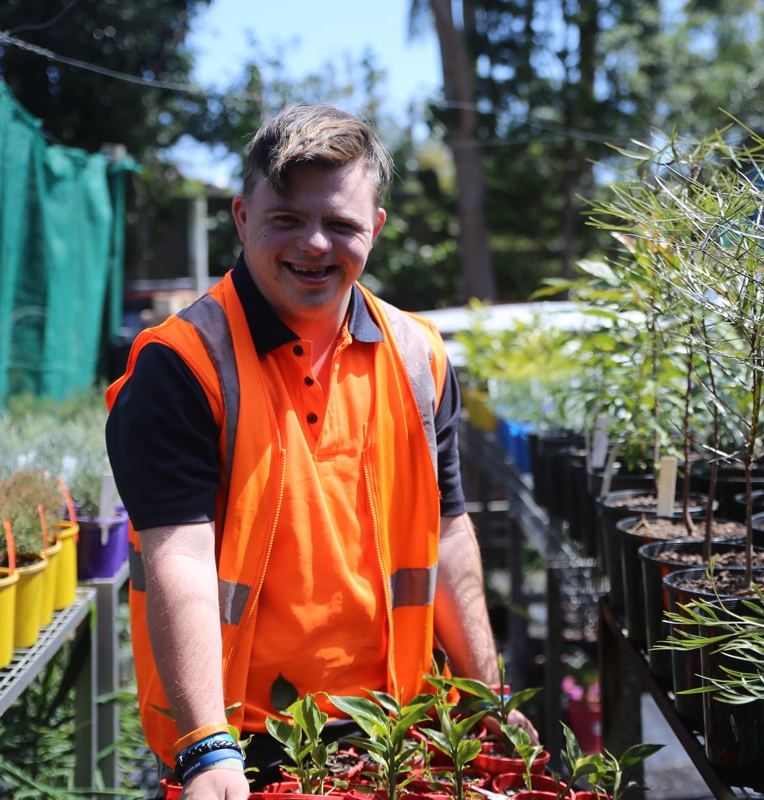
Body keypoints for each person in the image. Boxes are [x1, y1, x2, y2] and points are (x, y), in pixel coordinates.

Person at [105, 103, 537, 799]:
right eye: (286, 219)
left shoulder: (418, 356)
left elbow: (450, 530)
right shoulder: (182, 365)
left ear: (376, 231)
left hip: (402, 727)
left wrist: (488, 695)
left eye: (340, 224)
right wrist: (206, 749)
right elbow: (178, 557)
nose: (314, 244)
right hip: (246, 742)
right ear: (243, 218)